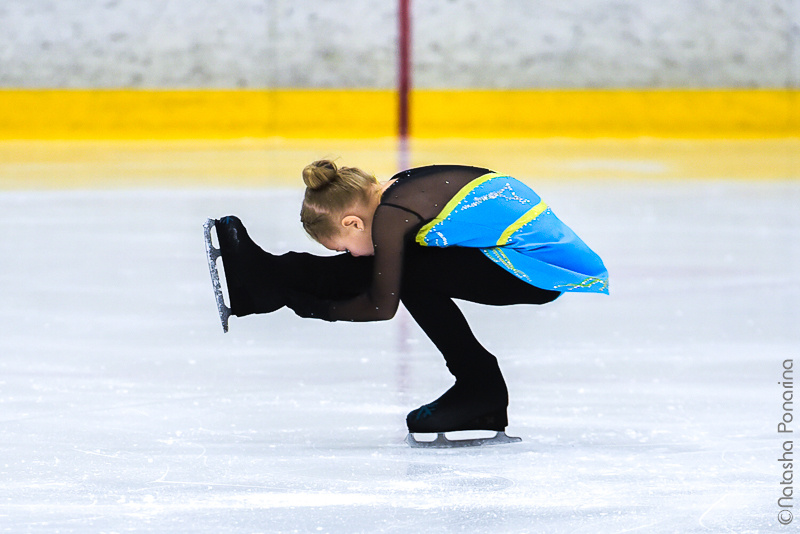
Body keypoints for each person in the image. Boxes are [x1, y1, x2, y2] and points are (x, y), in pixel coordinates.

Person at [211, 160, 608, 441]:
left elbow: (380, 306)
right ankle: (264, 279)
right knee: (395, 265)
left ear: (352, 222)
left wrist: (309, 306)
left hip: (537, 270)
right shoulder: (394, 192)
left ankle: (480, 388)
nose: (349, 254)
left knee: (407, 273)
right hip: (520, 257)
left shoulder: (394, 213)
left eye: (344, 246)